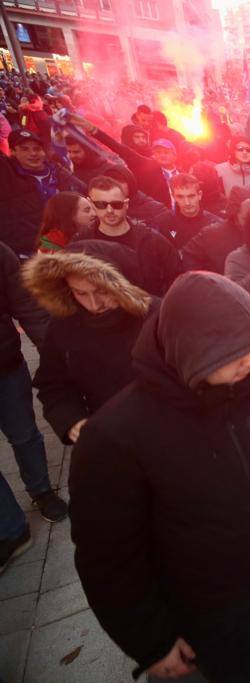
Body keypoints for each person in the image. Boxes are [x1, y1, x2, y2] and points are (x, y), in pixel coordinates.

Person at [69, 272, 250, 681]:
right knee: (237, 667)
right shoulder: (115, 437)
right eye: (236, 353)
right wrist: (151, 641)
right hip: (205, 599)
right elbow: (108, 558)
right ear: (193, 353)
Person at [23, 241, 155, 447]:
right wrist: (71, 420)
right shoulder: (64, 325)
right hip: (110, 437)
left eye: (101, 291)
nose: (94, 304)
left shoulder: (159, 315)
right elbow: (53, 385)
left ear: (122, 284)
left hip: (165, 435)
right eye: (81, 293)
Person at [0, 240, 65, 574]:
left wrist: (52, 354)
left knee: (24, 434)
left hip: (4, 366)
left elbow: (24, 303)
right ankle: (10, 529)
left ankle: (41, 490)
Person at [71, 176, 181, 296]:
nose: (109, 210)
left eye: (116, 204)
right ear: (91, 204)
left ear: (126, 204)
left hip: (147, 310)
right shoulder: (81, 243)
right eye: (101, 204)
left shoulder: (152, 240)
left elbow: (177, 276)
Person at [1, 129, 85, 258]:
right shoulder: (7, 175)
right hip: (24, 254)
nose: (33, 153)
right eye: (25, 149)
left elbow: (85, 192)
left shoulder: (58, 172)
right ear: (12, 152)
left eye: (37, 149)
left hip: (65, 248)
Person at [181, 187, 250, 274]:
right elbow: (189, 255)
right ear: (236, 213)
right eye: (247, 218)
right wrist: (202, 281)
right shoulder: (212, 233)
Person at [164, 173, 221, 250]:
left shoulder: (216, 224)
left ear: (199, 195)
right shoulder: (164, 224)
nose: (187, 202)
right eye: (180, 197)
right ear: (174, 197)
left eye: (191, 196)